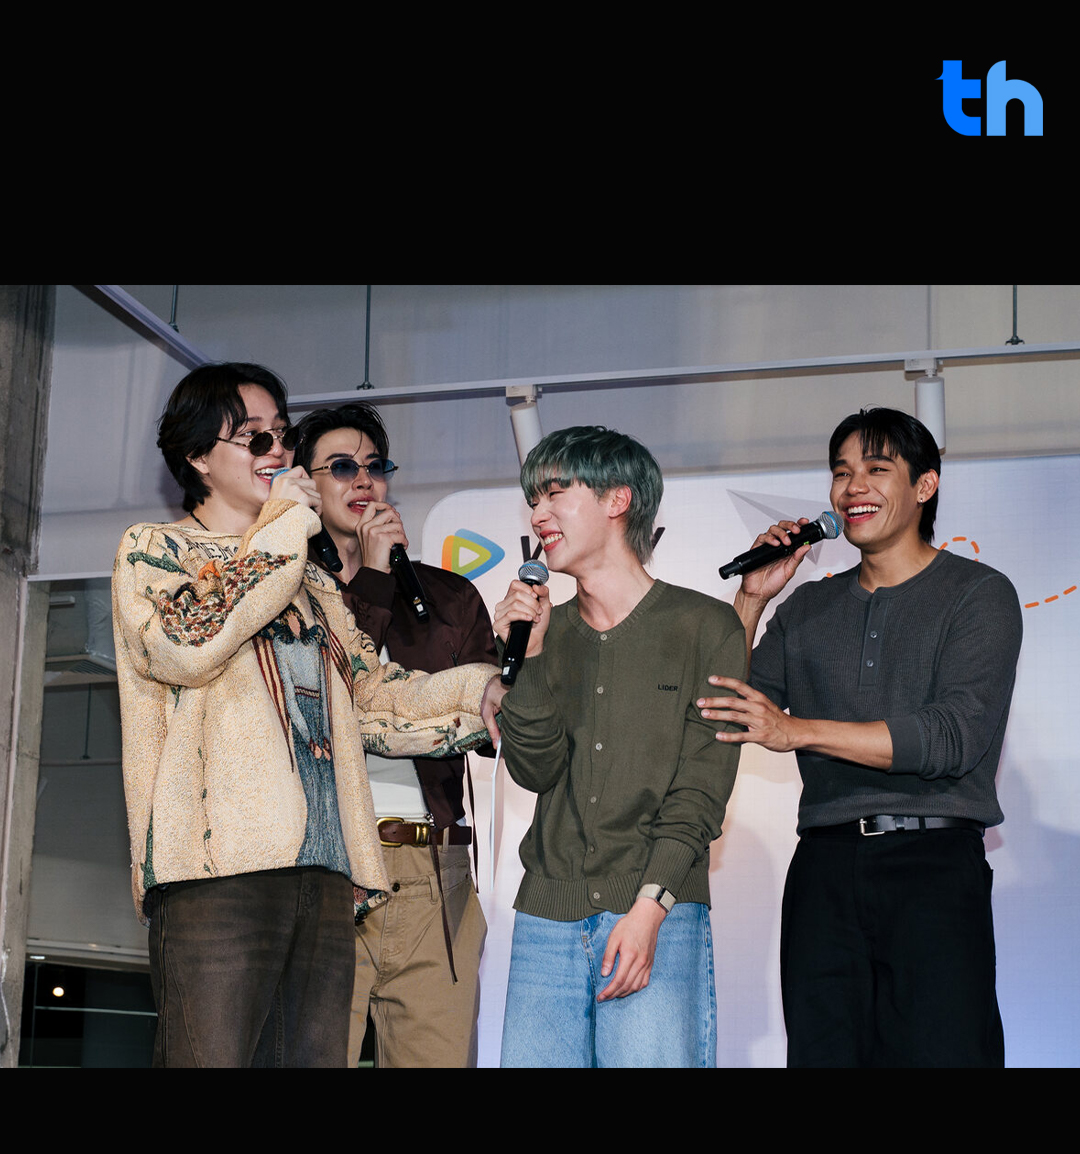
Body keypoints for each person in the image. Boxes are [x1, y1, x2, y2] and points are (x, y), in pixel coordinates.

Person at [111, 363, 502, 1068]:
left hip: (325, 878)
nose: (278, 453)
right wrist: (286, 526)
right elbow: (188, 645)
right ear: (198, 457)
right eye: (254, 439)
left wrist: (480, 693)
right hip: (215, 874)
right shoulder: (157, 551)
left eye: (282, 436)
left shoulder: (309, 583)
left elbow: (371, 698)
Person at [699, 406, 1023, 1068]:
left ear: (925, 485)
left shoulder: (978, 594)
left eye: (877, 469)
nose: (853, 488)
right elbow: (722, 710)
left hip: (934, 866)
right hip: (824, 868)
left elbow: (952, 737)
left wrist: (797, 731)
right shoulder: (808, 607)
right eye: (841, 472)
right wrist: (753, 599)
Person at [492, 425, 745, 1068]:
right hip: (546, 919)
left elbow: (700, 791)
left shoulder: (704, 625)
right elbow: (534, 770)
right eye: (533, 499)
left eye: (555, 492)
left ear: (617, 499)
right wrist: (530, 659)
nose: (538, 513)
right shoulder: (544, 631)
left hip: (656, 911)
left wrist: (649, 910)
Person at [290, 402, 498, 1068]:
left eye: (375, 467)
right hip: (324, 867)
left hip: (433, 867)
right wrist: (375, 580)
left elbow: (490, 732)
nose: (363, 481)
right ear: (305, 484)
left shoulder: (450, 598)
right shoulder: (286, 594)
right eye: (341, 467)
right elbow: (333, 693)